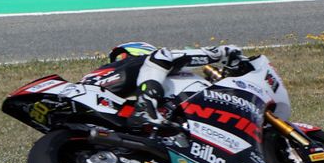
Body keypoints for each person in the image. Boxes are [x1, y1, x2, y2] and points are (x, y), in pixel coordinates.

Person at [86, 42, 249, 128]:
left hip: (100, 115)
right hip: (99, 105)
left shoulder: (96, 77)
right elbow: (163, 57)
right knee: (162, 57)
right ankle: (146, 106)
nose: (120, 61)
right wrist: (220, 53)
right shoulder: (145, 61)